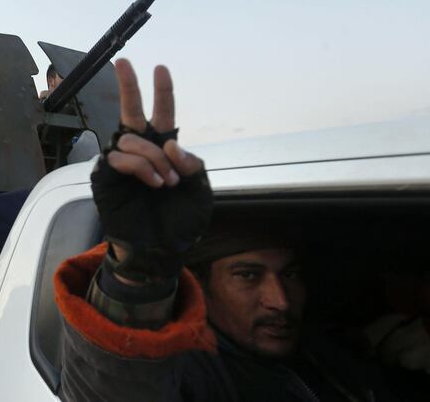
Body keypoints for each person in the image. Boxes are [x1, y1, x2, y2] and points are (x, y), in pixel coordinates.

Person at [53, 59, 397, 401]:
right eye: (248, 275)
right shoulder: (193, 375)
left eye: (290, 273)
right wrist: (140, 271)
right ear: (201, 286)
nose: (280, 301)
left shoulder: (320, 350)